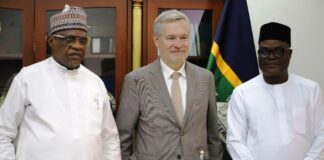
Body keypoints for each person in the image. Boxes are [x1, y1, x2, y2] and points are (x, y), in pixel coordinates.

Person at [0, 5, 121, 160]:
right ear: (51, 41)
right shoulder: (27, 78)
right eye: (69, 39)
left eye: (83, 40)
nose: (78, 46)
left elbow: (109, 138)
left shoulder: (95, 82)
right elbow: (3, 132)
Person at [116, 9, 223, 160]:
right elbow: (122, 137)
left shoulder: (205, 78)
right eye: (171, 38)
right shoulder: (136, 80)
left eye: (183, 37)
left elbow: (213, 135)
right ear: (156, 40)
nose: (178, 44)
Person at [226, 22, 324, 160]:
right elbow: (235, 140)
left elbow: (322, 135)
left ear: (289, 54)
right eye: (264, 51)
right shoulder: (242, 93)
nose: (271, 57)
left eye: (278, 51)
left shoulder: (311, 90)